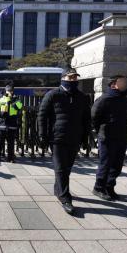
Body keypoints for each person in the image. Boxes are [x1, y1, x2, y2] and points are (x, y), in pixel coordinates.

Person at [38, 68, 91, 215]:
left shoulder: (82, 96)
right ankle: (65, 198)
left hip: (74, 138)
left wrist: (86, 138)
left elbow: (86, 119)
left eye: (75, 78)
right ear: (63, 79)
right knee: (60, 168)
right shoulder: (53, 95)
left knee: (66, 168)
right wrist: (42, 135)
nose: (73, 80)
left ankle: (58, 189)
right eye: (70, 78)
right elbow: (42, 115)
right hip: (57, 138)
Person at [91, 75, 127, 201]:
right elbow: (94, 116)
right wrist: (99, 131)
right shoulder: (104, 99)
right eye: (122, 82)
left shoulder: (124, 99)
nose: (125, 84)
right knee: (105, 164)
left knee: (117, 165)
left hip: (121, 136)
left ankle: (109, 187)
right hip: (107, 136)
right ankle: (99, 187)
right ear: (113, 84)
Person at [0, 84, 23, 163]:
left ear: (13, 91)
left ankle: (10, 157)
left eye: (11, 91)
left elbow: (20, 107)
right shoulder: (1, 100)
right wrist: (1, 113)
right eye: (8, 91)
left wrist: (12, 101)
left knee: (11, 143)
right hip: (2, 124)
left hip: (12, 124)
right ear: (5, 91)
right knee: (0, 142)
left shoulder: (17, 99)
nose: (10, 92)